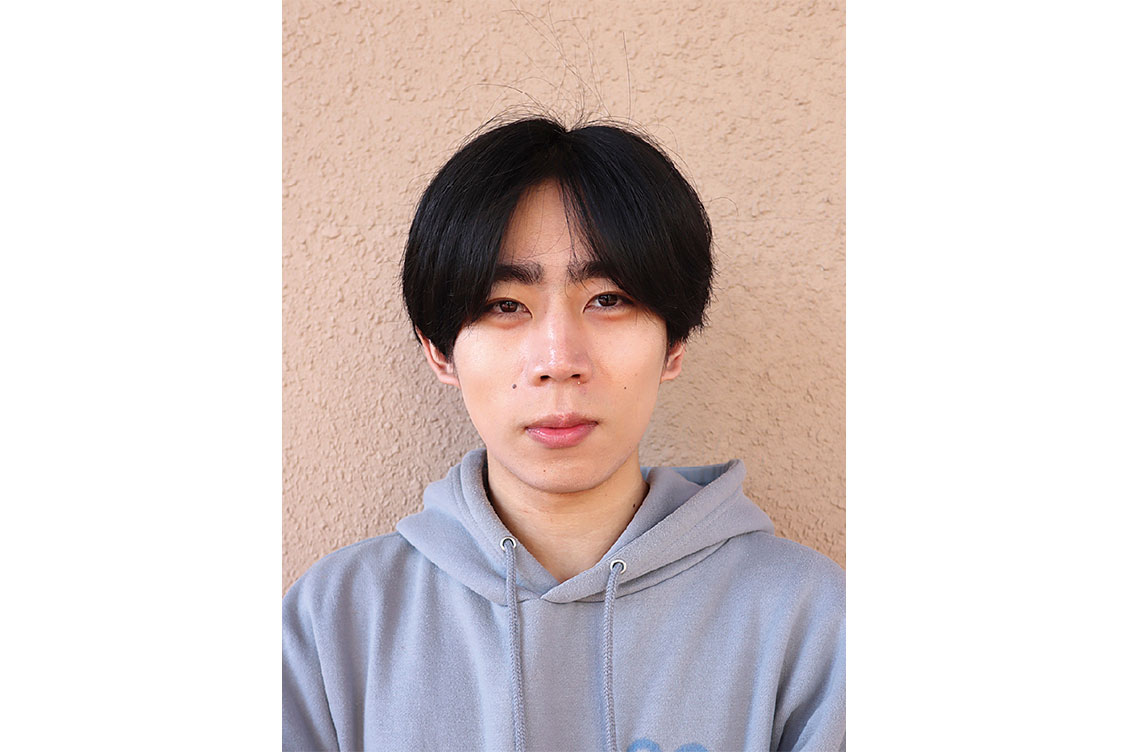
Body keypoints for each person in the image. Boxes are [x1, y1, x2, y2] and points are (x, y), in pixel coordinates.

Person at [282, 117, 845, 751]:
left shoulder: (810, 618)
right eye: (505, 305)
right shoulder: (335, 621)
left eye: (609, 299)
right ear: (439, 351)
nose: (558, 359)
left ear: (674, 343)